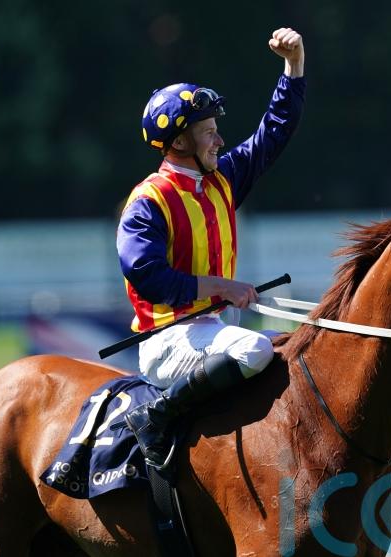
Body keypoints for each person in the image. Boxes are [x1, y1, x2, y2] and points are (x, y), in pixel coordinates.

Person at [117, 27, 305, 468]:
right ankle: (156, 415)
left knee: (290, 348)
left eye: (218, 131)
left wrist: (293, 66)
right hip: (168, 340)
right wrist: (222, 287)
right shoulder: (148, 201)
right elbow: (147, 277)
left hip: (213, 330)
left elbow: (273, 133)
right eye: (209, 133)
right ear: (180, 142)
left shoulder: (222, 178)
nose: (220, 141)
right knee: (256, 351)